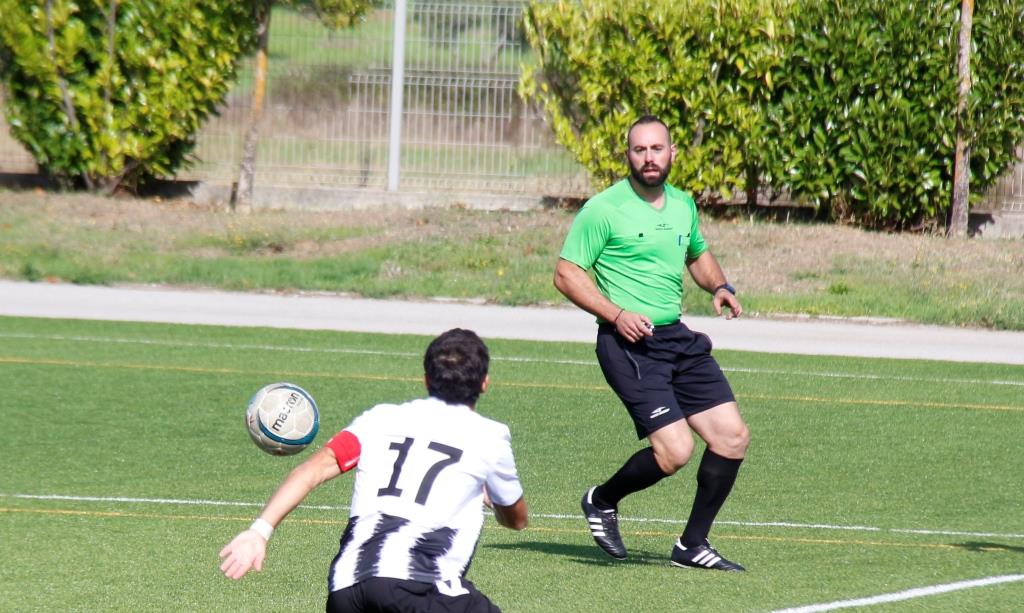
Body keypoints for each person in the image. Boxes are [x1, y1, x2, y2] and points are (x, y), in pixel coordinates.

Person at [553, 115, 749, 572]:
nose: (649, 158)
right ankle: (601, 501)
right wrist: (616, 315)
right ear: (628, 156)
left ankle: (691, 545)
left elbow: (697, 254)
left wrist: (719, 286)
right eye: (639, 150)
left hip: (677, 339)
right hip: (628, 345)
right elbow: (566, 274)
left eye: (656, 149)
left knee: (733, 437)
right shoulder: (604, 209)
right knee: (676, 451)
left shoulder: (682, 205)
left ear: (672, 153)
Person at [219, 328, 528, 611]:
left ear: (426, 379)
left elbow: (309, 472)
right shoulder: (490, 436)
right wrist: (487, 496)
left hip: (346, 590)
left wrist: (259, 531)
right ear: (485, 382)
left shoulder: (378, 419)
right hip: (417, 584)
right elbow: (516, 520)